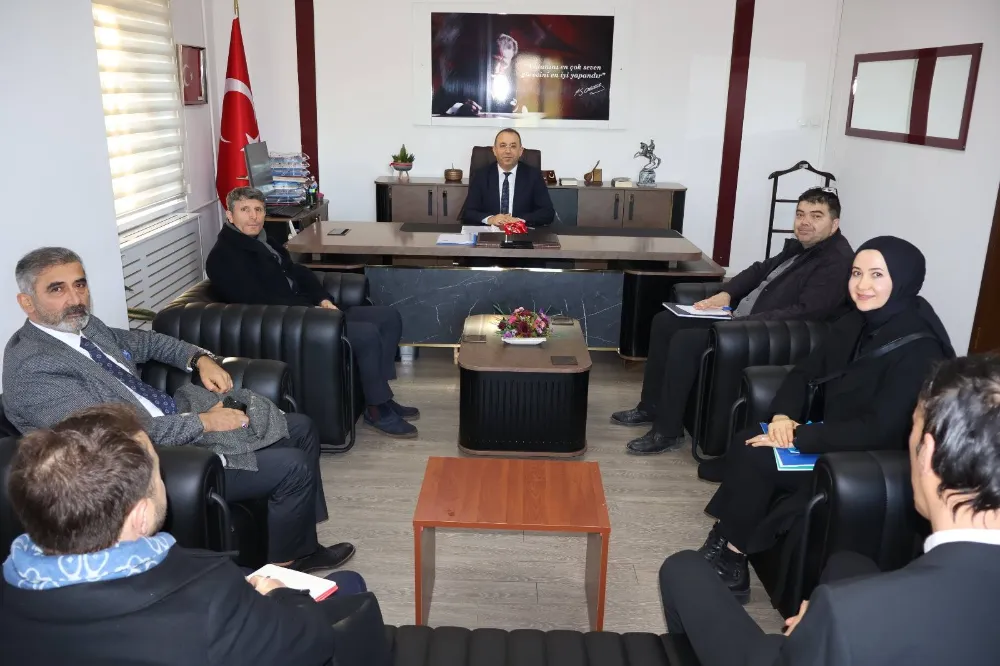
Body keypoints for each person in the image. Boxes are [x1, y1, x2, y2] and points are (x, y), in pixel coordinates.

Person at [2, 247, 354, 571]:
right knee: (292, 467)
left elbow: (148, 341)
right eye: (57, 289)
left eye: (79, 285)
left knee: (300, 427)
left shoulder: (85, 327)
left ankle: (301, 542)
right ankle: (287, 567)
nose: (76, 298)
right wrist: (204, 423)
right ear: (27, 302)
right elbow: (108, 436)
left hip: (172, 422)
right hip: (146, 458)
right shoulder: (33, 368)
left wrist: (199, 359)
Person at [658, 353, 1000, 666]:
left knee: (683, 568)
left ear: (927, 452)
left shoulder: (844, 615)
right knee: (847, 563)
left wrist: (813, 632)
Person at [0, 404, 384, 666]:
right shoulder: (210, 595)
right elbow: (310, 643)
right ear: (140, 515)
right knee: (351, 587)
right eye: (158, 472)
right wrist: (280, 594)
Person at [698, 236, 953, 601]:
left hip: (871, 457)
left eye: (877, 275)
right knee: (750, 438)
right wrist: (784, 417)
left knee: (757, 455)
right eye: (856, 273)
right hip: (834, 434)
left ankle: (732, 556)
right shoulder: (856, 322)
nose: (862, 285)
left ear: (903, 279)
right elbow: (805, 371)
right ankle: (727, 537)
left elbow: (881, 430)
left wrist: (800, 438)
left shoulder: (919, 348)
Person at [614, 187, 854, 454]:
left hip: (766, 333)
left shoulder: (836, 261)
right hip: (742, 319)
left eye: (816, 216)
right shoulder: (802, 247)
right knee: (664, 322)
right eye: (800, 214)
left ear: (834, 224)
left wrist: (746, 321)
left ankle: (668, 431)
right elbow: (758, 271)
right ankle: (651, 406)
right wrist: (726, 294)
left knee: (686, 341)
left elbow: (806, 312)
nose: (805, 222)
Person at [205, 187, 419, 439]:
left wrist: (323, 299)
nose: (253, 217)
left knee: (388, 318)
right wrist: (311, 312)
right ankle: (376, 409)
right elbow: (257, 302)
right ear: (230, 215)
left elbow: (298, 272)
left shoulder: (264, 240)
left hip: (307, 309)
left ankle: (382, 395)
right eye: (245, 210)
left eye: (258, 210)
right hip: (288, 323)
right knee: (365, 334)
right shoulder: (223, 256)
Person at [462, 128, 555, 227]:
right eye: (503, 146)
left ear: (520, 151)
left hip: (521, 232)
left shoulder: (533, 176)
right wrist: (490, 219)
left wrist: (519, 220)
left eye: (513, 146)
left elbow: (547, 213)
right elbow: (468, 212)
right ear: (494, 150)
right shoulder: (481, 176)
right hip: (490, 231)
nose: (508, 151)